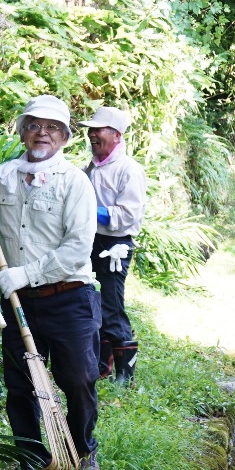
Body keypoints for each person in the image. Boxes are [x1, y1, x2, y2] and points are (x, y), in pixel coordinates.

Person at [0, 95, 101, 470]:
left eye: (51, 128)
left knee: (78, 379)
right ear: (22, 132)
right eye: (33, 126)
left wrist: (27, 273)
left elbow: (78, 247)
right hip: (19, 301)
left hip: (69, 297)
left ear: (65, 137)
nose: (41, 133)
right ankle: (31, 459)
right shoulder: (0, 179)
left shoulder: (76, 182)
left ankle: (83, 451)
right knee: (20, 384)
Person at [78, 106, 147, 386]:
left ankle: (124, 373)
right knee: (88, 301)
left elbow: (128, 215)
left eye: (98, 129)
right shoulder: (92, 166)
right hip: (88, 240)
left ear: (117, 135)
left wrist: (90, 210)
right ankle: (101, 366)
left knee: (112, 305)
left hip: (115, 246)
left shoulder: (129, 170)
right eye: (90, 130)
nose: (92, 134)